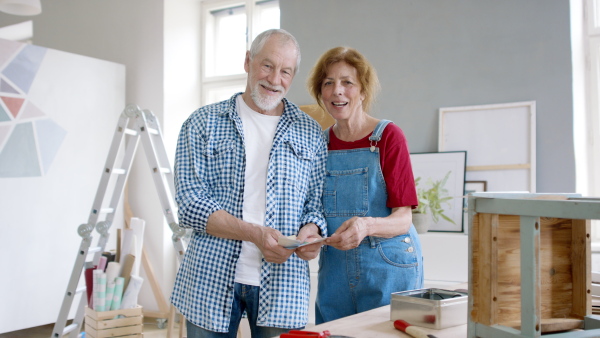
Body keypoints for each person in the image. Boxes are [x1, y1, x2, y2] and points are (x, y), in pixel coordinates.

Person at [171, 29, 327, 338]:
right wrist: (253, 234)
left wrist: (312, 230)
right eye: (267, 65)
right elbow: (190, 204)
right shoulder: (203, 122)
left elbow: (315, 203)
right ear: (248, 61)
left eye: (285, 71)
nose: (274, 79)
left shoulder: (310, 132)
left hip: (283, 283)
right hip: (209, 278)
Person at [307, 46, 424, 324]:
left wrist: (366, 226)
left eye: (347, 82)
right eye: (328, 83)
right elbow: (312, 209)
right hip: (334, 272)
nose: (337, 91)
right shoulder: (319, 144)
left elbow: (403, 218)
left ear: (362, 91)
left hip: (388, 268)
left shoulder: (388, 137)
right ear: (320, 92)